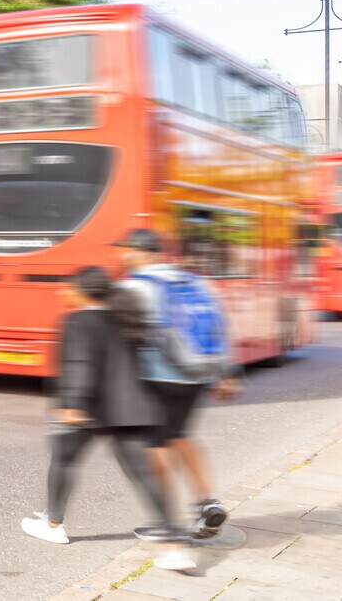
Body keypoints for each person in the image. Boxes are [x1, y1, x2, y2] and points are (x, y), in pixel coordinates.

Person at [20, 266, 192, 572]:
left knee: (63, 461)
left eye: (68, 285)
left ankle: (53, 524)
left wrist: (73, 404)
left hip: (89, 409)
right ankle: (174, 547)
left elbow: (80, 363)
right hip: (132, 409)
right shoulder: (124, 316)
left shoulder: (79, 319)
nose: (64, 291)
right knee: (145, 477)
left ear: (81, 290)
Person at [116, 227, 240, 541]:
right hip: (195, 376)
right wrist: (227, 373)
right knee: (180, 436)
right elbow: (219, 326)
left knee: (153, 446)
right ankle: (207, 503)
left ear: (139, 252)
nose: (121, 255)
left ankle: (165, 521)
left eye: (124, 249)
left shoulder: (135, 286)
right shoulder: (195, 281)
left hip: (157, 377)